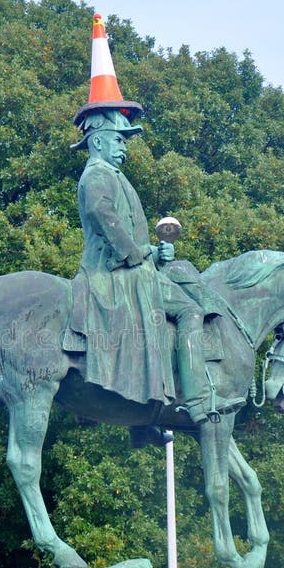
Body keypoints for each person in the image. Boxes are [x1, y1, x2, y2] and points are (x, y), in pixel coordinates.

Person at [66, 108, 212, 424]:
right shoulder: (98, 174)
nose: (124, 148)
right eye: (118, 140)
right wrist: (138, 254)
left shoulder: (112, 175)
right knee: (190, 311)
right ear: (97, 143)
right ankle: (198, 400)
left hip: (134, 267)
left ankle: (149, 413)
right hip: (115, 271)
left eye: (124, 142)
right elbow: (101, 214)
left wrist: (154, 256)